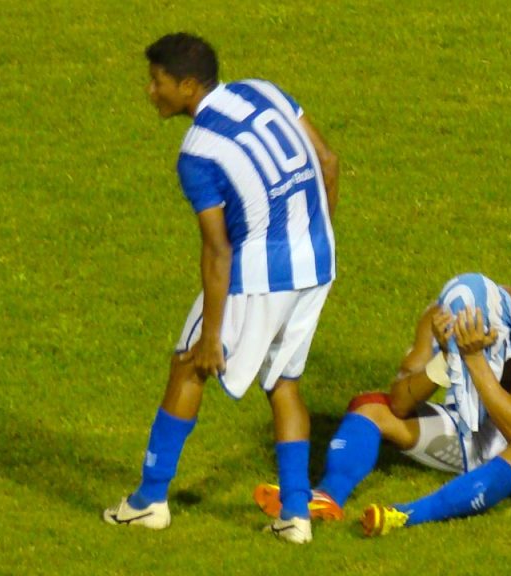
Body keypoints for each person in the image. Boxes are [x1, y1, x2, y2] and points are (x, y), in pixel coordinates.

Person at [103, 32, 339, 545]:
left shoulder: (198, 152)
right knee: (284, 381)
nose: (150, 91)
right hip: (317, 262)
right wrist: (309, 238)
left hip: (257, 273)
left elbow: (217, 250)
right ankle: (295, 516)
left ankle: (149, 500)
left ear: (187, 86)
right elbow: (328, 161)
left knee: (188, 363)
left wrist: (212, 337)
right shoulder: (264, 90)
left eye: (157, 81)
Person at [254, 273, 511, 535]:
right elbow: (398, 403)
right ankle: (328, 495)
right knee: (371, 407)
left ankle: (410, 515)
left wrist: (473, 359)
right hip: (469, 425)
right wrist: (441, 365)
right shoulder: (438, 317)